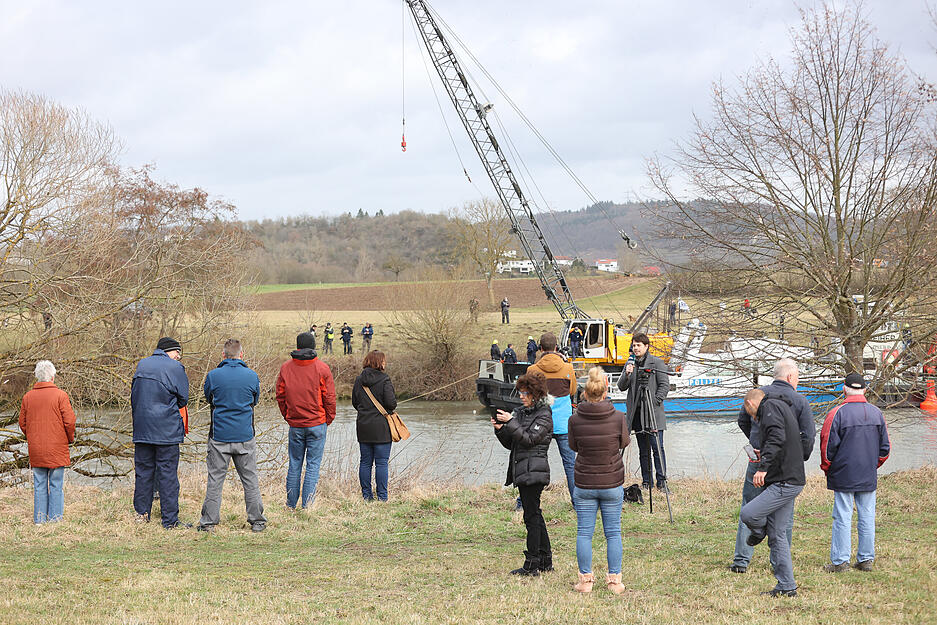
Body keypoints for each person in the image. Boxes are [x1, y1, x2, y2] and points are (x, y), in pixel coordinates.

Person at [731, 358, 815, 573]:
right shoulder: (799, 400)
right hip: (787, 466)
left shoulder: (757, 395)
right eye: (797, 377)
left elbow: (742, 420)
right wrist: (800, 456)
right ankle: (779, 561)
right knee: (784, 513)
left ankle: (741, 560)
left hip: (759, 460)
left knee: (749, 504)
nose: (797, 381)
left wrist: (757, 442)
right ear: (789, 377)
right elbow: (808, 436)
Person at [568, 367, 630, 594]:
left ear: (585, 394)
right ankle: (614, 582)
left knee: (584, 532)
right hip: (611, 481)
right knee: (613, 532)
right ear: (605, 393)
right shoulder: (618, 417)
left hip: (584, 482)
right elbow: (624, 442)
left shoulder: (574, 419)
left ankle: (585, 581)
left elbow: (573, 446)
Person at [739, 388, 806, 597]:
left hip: (784, 481)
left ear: (750, 405)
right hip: (787, 477)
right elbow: (780, 440)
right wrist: (764, 454)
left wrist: (763, 467)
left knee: (748, 514)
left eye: (749, 413)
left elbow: (776, 436)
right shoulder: (780, 406)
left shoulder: (768, 408)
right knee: (777, 534)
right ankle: (787, 586)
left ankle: (759, 531)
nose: (752, 418)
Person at [819, 373, 890, 572]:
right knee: (867, 515)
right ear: (865, 390)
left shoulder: (837, 413)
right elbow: (885, 448)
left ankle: (841, 562)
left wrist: (827, 469)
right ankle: (866, 559)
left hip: (843, 473)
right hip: (867, 473)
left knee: (842, 516)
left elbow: (827, 448)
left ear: (844, 388)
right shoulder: (877, 413)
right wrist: (872, 465)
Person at [197, 339, 266, 533]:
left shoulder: (213, 376)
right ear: (241, 355)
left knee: (215, 480)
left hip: (219, 435)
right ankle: (257, 521)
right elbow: (255, 400)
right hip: (244, 435)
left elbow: (209, 398)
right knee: (250, 479)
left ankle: (208, 522)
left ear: (223, 355)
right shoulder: (252, 376)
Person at [492, 371, 553, 576]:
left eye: (525, 393)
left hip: (535, 472)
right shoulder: (520, 413)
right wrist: (501, 429)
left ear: (535, 394)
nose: (521, 396)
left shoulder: (544, 415)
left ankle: (532, 564)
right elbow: (512, 443)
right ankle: (545, 560)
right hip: (522, 469)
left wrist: (511, 422)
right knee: (535, 514)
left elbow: (529, 439)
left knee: (531, 517)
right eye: (520, 392)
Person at [131, 337, 189, 529]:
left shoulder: (142, 364)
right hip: (167, 431)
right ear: (168, 351)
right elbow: (183, 398)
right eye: (177, 353)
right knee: (167, 474)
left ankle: (142, 514)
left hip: (142, 429)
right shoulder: (175, 368)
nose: (178, 357)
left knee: (144, 472)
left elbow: (135, 395)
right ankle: (170, 520)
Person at [276, 332, 337, 509]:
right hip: (317, 423)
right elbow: (330, 398)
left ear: (297, 346)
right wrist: (328, 419)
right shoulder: (322, 368)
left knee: (294, 464)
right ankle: (307, 506)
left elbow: (280, 396)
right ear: (313, 346)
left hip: (296, 424)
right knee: (313, 465)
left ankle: (290, 505)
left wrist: (288, 416)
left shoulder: (286, 368)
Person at [19, 360, 76, 524]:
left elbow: (22, 423)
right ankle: (55, 520)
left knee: (39, 484)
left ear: (37, 377)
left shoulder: (28, 397)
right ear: (52, 376)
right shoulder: (60, 396)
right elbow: (70, 422)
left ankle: (39, 521)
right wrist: (69, 438)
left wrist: (33, 437)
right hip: (57, 447)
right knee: (56, 484)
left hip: (36, 448)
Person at [527, 332, 577, 506]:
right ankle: (576, 502)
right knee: (570, 465)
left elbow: (529, 396)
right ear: (556, 348)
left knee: (533, 462)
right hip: (563, 423)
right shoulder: (568, 368)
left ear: (540, 348)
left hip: (539, 424)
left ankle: (525, 501)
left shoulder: (532, 371)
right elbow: (572, 391)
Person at [617, 333, 669, 491]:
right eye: (634, 345)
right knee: (643, 449)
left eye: (639, 345)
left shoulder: (657, 363)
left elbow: (664, 386)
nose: (636, 348)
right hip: (637, 414)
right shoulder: (630, 363)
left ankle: (662, 482)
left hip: (653, 414)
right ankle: (647, 481)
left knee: (657, 448)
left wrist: (654, 402)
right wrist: (627, 373)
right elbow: (621, 386)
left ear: (646, 346)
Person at [352, 350, 397, 502]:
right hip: (381, 428)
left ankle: (367, 497)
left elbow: (354, 402)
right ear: (379, 363)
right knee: (381, 463)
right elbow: (391, 403)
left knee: (365, 462)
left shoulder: (359, 380)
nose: (385, 363)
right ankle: (382, 497)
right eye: (384, 360)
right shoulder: (385, 379)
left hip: (363, 426)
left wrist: (365, 411)